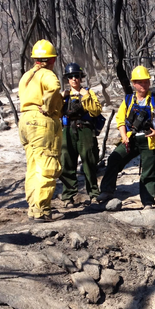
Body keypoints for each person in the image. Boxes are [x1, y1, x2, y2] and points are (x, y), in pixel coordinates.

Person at [97, 66, 155, 208]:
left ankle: (148, 202)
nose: (143, 85)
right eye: (140, 82)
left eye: (146, 82)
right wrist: (124, 136)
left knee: (149, 170)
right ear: (134, 84)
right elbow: (121, 119)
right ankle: (107, 191)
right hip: (131, 138)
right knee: (114, 159)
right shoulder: (129, 100)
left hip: (150, 140)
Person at [18, 39, 65, 222]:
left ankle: (33, 208)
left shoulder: (26, 76)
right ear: (52, 59)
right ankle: (42, 210)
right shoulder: (46, 74)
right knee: (46, 165)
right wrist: (48, 107)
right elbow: (54, 88)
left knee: (33, 166)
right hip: (41, 122)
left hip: (25, 121)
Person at [59, 63, 103, 207]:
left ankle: (94, 194)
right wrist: (60, 100)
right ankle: (68, 196)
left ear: (81, 77)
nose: (74, 79)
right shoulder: (64, 95)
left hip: (85, 130)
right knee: (67, 162)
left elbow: (96, 111)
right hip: (67, 131)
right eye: (71, 77)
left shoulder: (89, 93)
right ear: (67, 79)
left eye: (76, 76)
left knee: (89, 162)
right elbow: (57, 113)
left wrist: (86, 97)